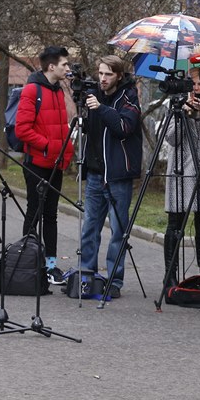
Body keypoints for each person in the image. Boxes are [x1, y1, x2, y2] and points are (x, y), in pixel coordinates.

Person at [79, 56, 142, 299]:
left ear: (118, 76)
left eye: (108, 74)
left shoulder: (129, 97)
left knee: (118, 231)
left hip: (118, 175)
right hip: (95, 173)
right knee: (89, 228)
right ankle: (87, 276)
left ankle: (114, 280)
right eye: (100, 73)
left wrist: (101, 108)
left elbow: (124, 127)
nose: (102, 79)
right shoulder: (93, 94)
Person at [15, 45, 74, 285]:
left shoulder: (58, 89)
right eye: (64, 65)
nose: (68, 68)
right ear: (52, 66)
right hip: (37, 163)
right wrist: (48, 146)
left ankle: (50, 266)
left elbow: (60, 128)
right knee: (34, 212)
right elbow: (22, 129)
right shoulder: (32, 90)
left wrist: (64, 153)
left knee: (51, 215)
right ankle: (28, 262)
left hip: (55, 164)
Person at [163, 69, 200, 286]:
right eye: (192, 85)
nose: (195, 89)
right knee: (175, 226)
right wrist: (183, 115)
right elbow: (171, 138)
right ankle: (170, 276)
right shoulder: (174, 105)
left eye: (199, 85)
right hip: (180, 172)